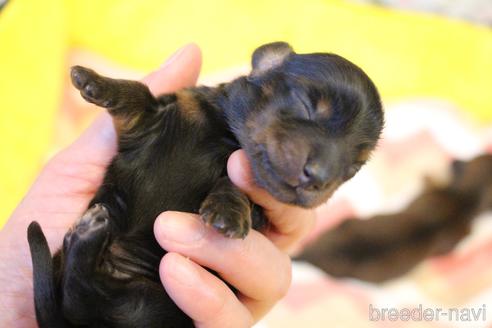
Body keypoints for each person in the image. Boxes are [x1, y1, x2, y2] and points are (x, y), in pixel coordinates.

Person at [0, 44, 316, 327]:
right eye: (306, 107)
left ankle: (81, 268)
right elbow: (144, 120)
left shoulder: (259, 175)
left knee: (153, 308)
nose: (320, 170)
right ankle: (81, 273)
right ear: (266, 74)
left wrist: (237, 205)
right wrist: (123, 97)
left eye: (353, 164)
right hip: (87, 277)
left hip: (141, 289)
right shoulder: (195, 106)